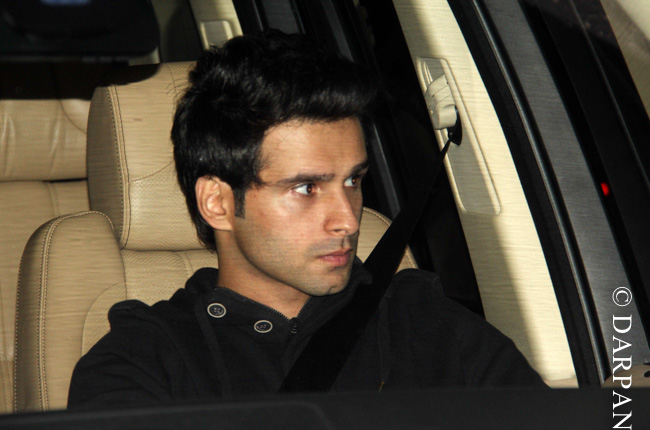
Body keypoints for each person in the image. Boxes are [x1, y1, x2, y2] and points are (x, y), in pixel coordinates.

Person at [68, 31, 546, 409]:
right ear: (217, 203)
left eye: (353, 181)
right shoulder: (145, 360)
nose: (347, 221)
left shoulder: (424, 320)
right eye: (306, 188)